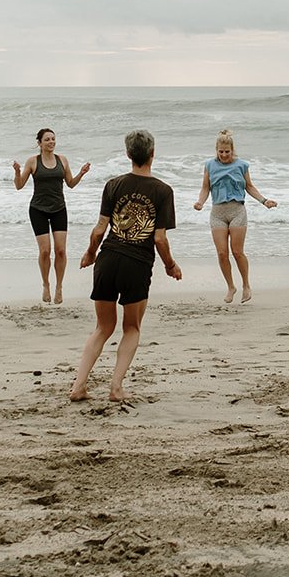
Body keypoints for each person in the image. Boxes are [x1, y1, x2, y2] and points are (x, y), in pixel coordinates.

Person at [70, 130, 181, 402]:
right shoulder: (163, 191)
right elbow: (159, 238)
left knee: (102, 327)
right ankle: (116, 387)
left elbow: (99, 230)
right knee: (131, 328)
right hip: (137, 264)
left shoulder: (113, 185)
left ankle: (78, 386)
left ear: (128, 154)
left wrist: (89, 254)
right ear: (153, 154)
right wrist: (170, 265)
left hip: (108, 259)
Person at [192, 129, 277, 304]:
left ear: (232, 150)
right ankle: (231, 286)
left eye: (227, 152)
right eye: (220, 152)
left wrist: (264, 201)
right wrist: (200, 202)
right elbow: (205, 187)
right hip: (217, 213)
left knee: (237, 252)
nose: (223, 155)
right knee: (222, 253)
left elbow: (250, 187)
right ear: (216, 150)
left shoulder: (242, 165)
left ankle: (246, 285)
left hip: (237, 210)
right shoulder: (209, 165)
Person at [12, 128, 91, 304]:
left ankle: (59, 287)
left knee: (61, 251)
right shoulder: (33, 161)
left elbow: (70, 184)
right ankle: (46, 284)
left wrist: (82, 173)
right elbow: (19, 185)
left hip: (59, 209)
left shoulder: (62, 160)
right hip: (38, 209)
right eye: (47, 139)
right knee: (45, 250)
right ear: (39, 143)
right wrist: (17, 172)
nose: (51, 142)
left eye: (53, 139)